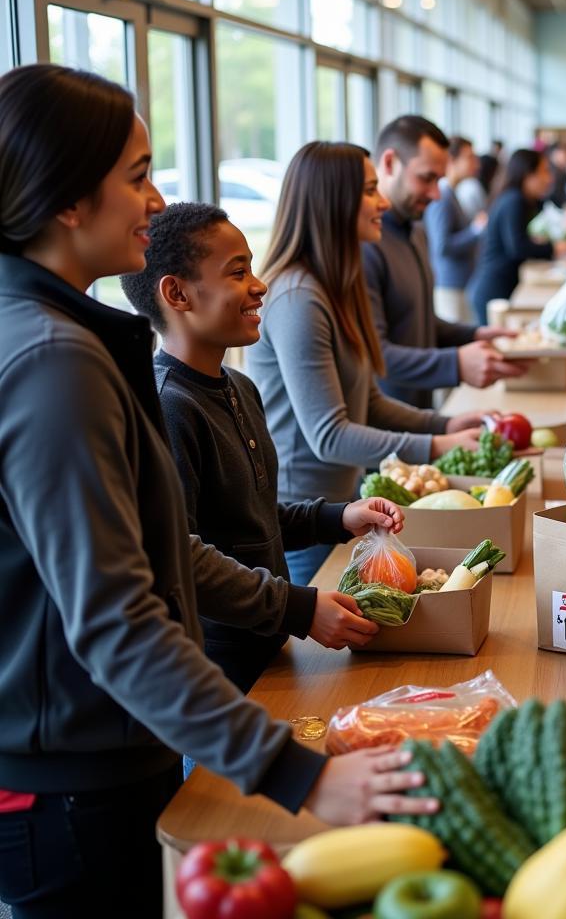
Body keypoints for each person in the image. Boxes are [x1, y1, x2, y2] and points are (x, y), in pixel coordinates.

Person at [0, 66, 436, 918]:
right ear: (65, 201)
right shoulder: (57, 361)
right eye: (136, 175)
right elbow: (117, 618)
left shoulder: (54, 334)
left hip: (93, 760)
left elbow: (145, 547)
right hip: (75, 788)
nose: (155, 200)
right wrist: (298, 774)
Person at [121, 202, 401, 693]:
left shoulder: (238, 386)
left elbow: (249, 521)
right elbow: (180, 556)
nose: (259, 285)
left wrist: (337, 518)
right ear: (177, 293)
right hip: (215, 676)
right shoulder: (167, 406)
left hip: (268, 652)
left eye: (251, 267)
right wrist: (301, 608)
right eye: (237, 272)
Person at [247, 141, 483, 587]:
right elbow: (330, 435)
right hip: (307, 525)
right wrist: (438, 447)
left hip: (341, 508)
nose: (383, 202)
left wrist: (444, 425)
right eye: (370, 190)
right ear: (334, 202)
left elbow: (368, 402)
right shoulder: (299, 297)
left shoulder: (337, 286)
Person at [365, 116, 526, 409]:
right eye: (426, 178)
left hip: (418, 411)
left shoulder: (414, 232)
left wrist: (474, 334)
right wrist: (457, 364)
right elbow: (376, 353)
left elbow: (418, 322)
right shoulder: (367, 246)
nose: (435, 193)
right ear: (389, 164)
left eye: (439, 180)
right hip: (387, 421)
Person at [468, 148, 566, 325]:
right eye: (544, 171)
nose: (549, 178)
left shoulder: (518, 199)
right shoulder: (514, 200)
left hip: (499, 284)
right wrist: (555, 247)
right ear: (528, 174)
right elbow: (518, 247)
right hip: (493, 288)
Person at [423, 135, 487, 324]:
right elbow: (442, 246)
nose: (476, 163)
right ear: (451, 160)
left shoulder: (452, 193)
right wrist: (476, 230)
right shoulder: (442, 197)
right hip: (450, 286)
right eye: (469, 157)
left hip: (460, 283)